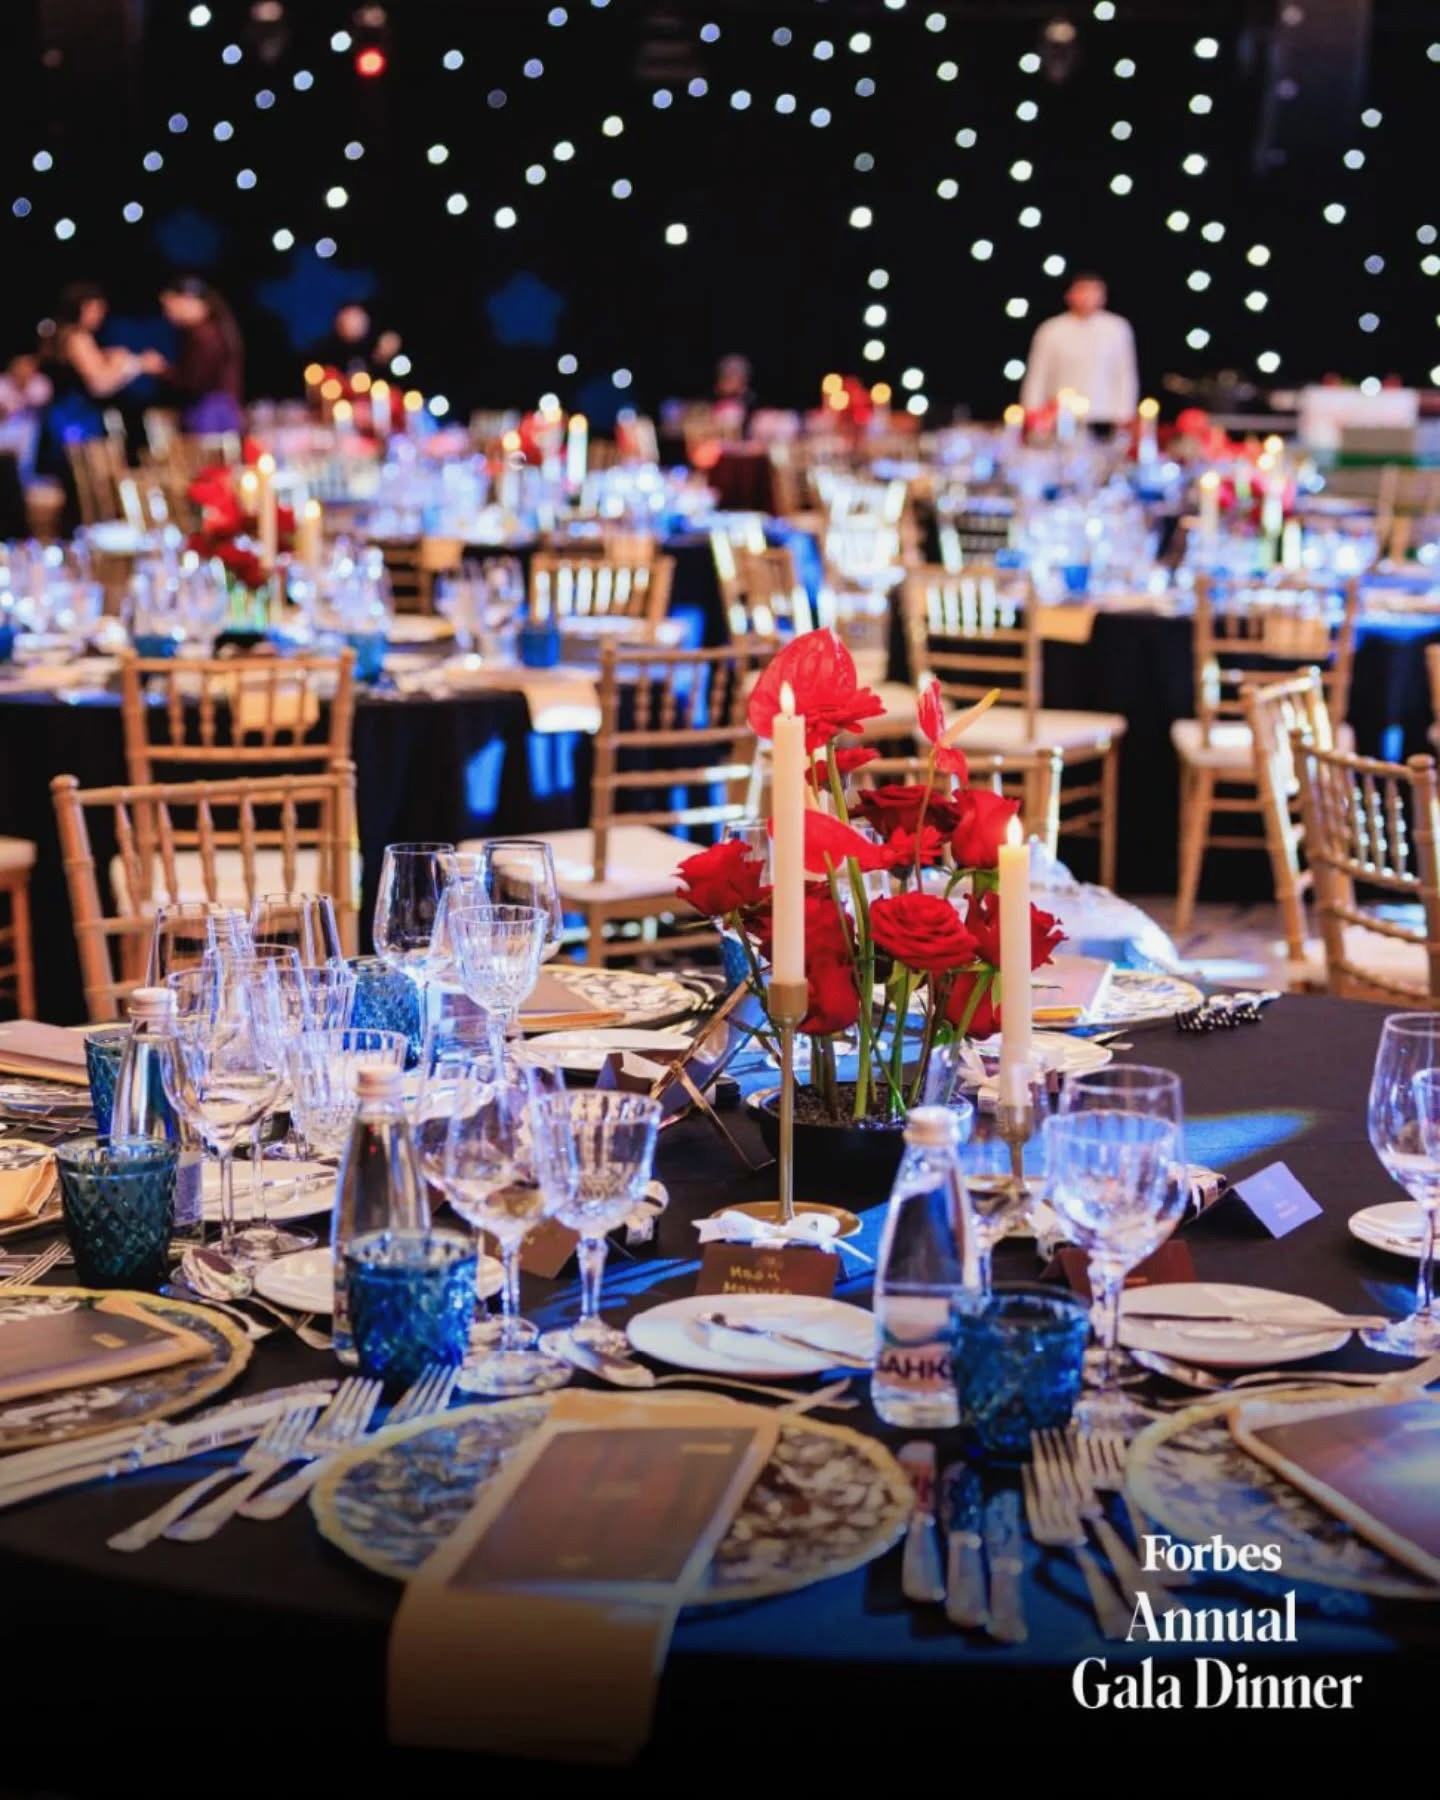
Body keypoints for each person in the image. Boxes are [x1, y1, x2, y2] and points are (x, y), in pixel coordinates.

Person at [35, 281, 159, 482]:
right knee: (89, 483)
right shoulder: (77, 337)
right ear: (83, 307)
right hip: (78, 420)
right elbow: (99, 384)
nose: (100, 315)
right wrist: (135, 364)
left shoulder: (59, 334)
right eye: (97, 309)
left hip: (60, 419)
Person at [1020, 273, 1138, 432]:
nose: (1087, 297)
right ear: (1069, 294)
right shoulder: (1051, 329)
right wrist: (1032, 408)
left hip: (1103, 413)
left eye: (1094, 291)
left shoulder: (1117, 328)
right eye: (1082, 290)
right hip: (1058, 412)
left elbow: (1124, 373)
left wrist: (1125, 413)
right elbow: (1038, 372)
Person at [155, 276, 245, 433]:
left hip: (208, 415)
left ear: (189, 300)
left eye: (170, 306)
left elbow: (193, 381)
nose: (168, 314)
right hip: (223, 410)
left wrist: (161, 370)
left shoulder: (204, 336)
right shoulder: (217, 330)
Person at [316, 301, 401, 377]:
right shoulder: (329, 354)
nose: (354, 324)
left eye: (355, 317)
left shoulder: (385, 322)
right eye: (348, 321)